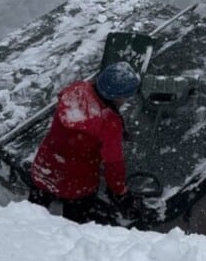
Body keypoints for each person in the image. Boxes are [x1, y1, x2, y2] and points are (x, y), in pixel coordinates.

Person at [28, 61, 144, 224]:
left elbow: (66, 100)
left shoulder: (77, 89)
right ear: (117, 97)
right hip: (75, 184)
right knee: (75, 225)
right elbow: (113, 164)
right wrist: (121, 192)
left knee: (27, 216)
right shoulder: (109, 122)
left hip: (43, 169)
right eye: (125, 97)